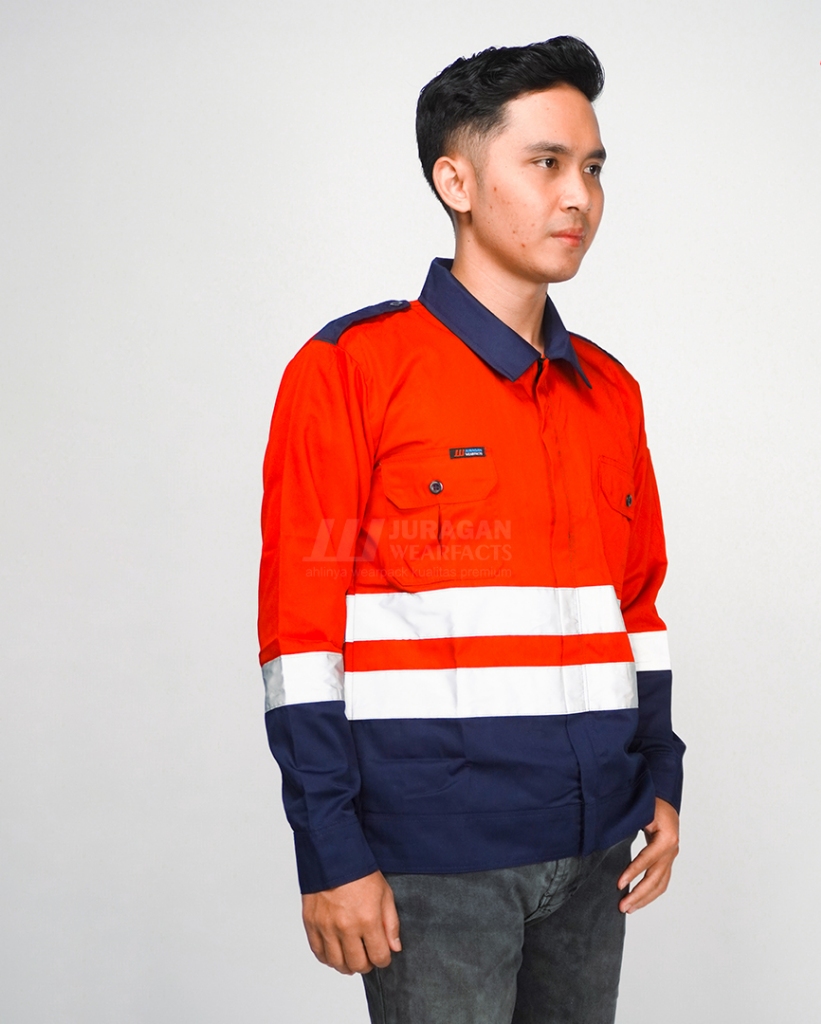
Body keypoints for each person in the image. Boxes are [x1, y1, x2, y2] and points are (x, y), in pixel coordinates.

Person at [258, 35, 685, 1024]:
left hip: (596, 853)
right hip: (435, 867)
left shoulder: (610, 392)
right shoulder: (350, 371)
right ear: (455, 180)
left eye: (592, 167)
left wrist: (659, 777)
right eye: (545, 163)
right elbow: (299, 637)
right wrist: (330, 852)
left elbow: (636, 609)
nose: (579, 197)